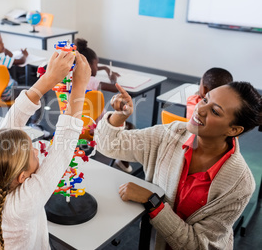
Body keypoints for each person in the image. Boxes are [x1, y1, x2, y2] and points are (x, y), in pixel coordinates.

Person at [95, 81, 261, 249]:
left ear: (233, 130)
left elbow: (198, 245)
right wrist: (119, 116)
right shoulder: (172, 134)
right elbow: (109, 145)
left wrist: (152, 202)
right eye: (205, 99)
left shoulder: (240, 185)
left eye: (215, 111)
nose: (200, 109)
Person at [0, 50, 91, 249]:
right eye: (33, 152)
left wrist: (49, 78)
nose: (37, 150)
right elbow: (62, 148)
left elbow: (11, 122)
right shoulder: (22, 205)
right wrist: (80, 86)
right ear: (23, 177)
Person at [75, 38, 134, 173]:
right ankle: (122, 162)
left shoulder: (68, 78)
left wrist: (104, 67)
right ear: (89, 65)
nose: (97, 67)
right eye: (97, 64)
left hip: (76, 124)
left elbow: (91, 68)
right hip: (97, 126)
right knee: (129, 127)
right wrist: (113, 77)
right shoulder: (93, 81)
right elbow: (115, 88)